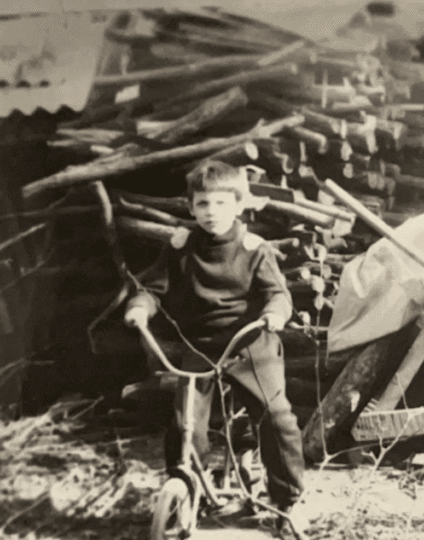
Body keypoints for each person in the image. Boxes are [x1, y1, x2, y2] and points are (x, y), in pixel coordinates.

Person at [124, 161, 305, 519]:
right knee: (184, 423)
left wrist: (274, 314)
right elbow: (153, 289)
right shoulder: (181, 246)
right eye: (203, 204)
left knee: (276, 416)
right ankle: (188, 485)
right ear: (191, 207)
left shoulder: (254, 249)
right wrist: (141, 307)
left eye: (221, 204)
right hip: (200, 345)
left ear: (239, 205)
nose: (211, 213)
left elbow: (278, 293)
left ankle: (288, 496)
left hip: (249, 342)